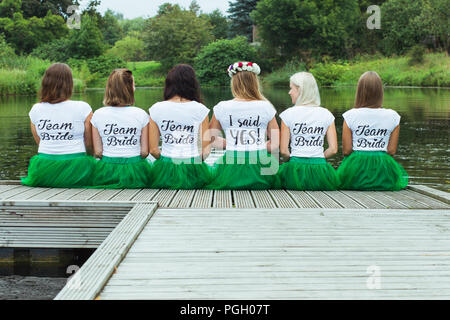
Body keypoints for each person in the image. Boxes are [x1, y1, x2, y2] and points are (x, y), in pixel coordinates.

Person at [207, 61, 281, 190]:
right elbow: (275, 143)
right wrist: (257, 146)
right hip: (260, 167)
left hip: (231, 166)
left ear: (234, 83)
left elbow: (210, 139)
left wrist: (230, 143)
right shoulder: (266, 106)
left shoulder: (222, 107)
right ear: (254, 83)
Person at [21, 63, 95, 188]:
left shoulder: (36, 109)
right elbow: (89, 144)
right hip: (76, 171)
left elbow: (40, 142)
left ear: (45, 83)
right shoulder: (83, 107)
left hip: (43, 171)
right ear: (69, 84)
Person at [337, 71, 408, 190]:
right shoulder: (393, 116)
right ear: (380, 92)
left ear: (359, 91)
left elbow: (347, 151)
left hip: (356, 174)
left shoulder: (350, 115)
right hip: (383, 174)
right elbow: (391, 151)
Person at [148, 64, 212, 189]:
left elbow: (153, 150)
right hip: (193, 166)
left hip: (166, 169)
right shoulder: (201, 110)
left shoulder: (156, 109)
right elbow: (206, 150)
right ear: (193, 84)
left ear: (169, 84)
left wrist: (166, 164)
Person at [90, 69, 152, 189]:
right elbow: (144, 152)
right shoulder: (141, 114)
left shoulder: (98, 114)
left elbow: (98, 152)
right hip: (135, 170)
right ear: (129, 89)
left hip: (107, 170)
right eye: (134, 85)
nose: (135, 88)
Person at [278, 72, 340, 190]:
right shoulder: (326, 114)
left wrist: (291, 162)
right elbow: (333, 149)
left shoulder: (288, 114)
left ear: (300, 90)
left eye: (292, 89)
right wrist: (319, 158)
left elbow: (284, 151)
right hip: (320, 171)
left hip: (295, 170)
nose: (289, 92)